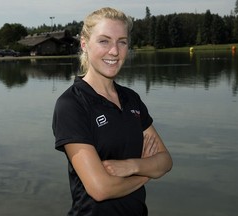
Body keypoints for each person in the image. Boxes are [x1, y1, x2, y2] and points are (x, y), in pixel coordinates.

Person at [52, 7, 173, 216]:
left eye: (122, 42)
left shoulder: (131, 99)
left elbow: (165, 161)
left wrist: (131, 166)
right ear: (84, 44)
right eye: (104, 41)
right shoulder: (72, 104)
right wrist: (147, 173)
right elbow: (100, 189)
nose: (114, 51)